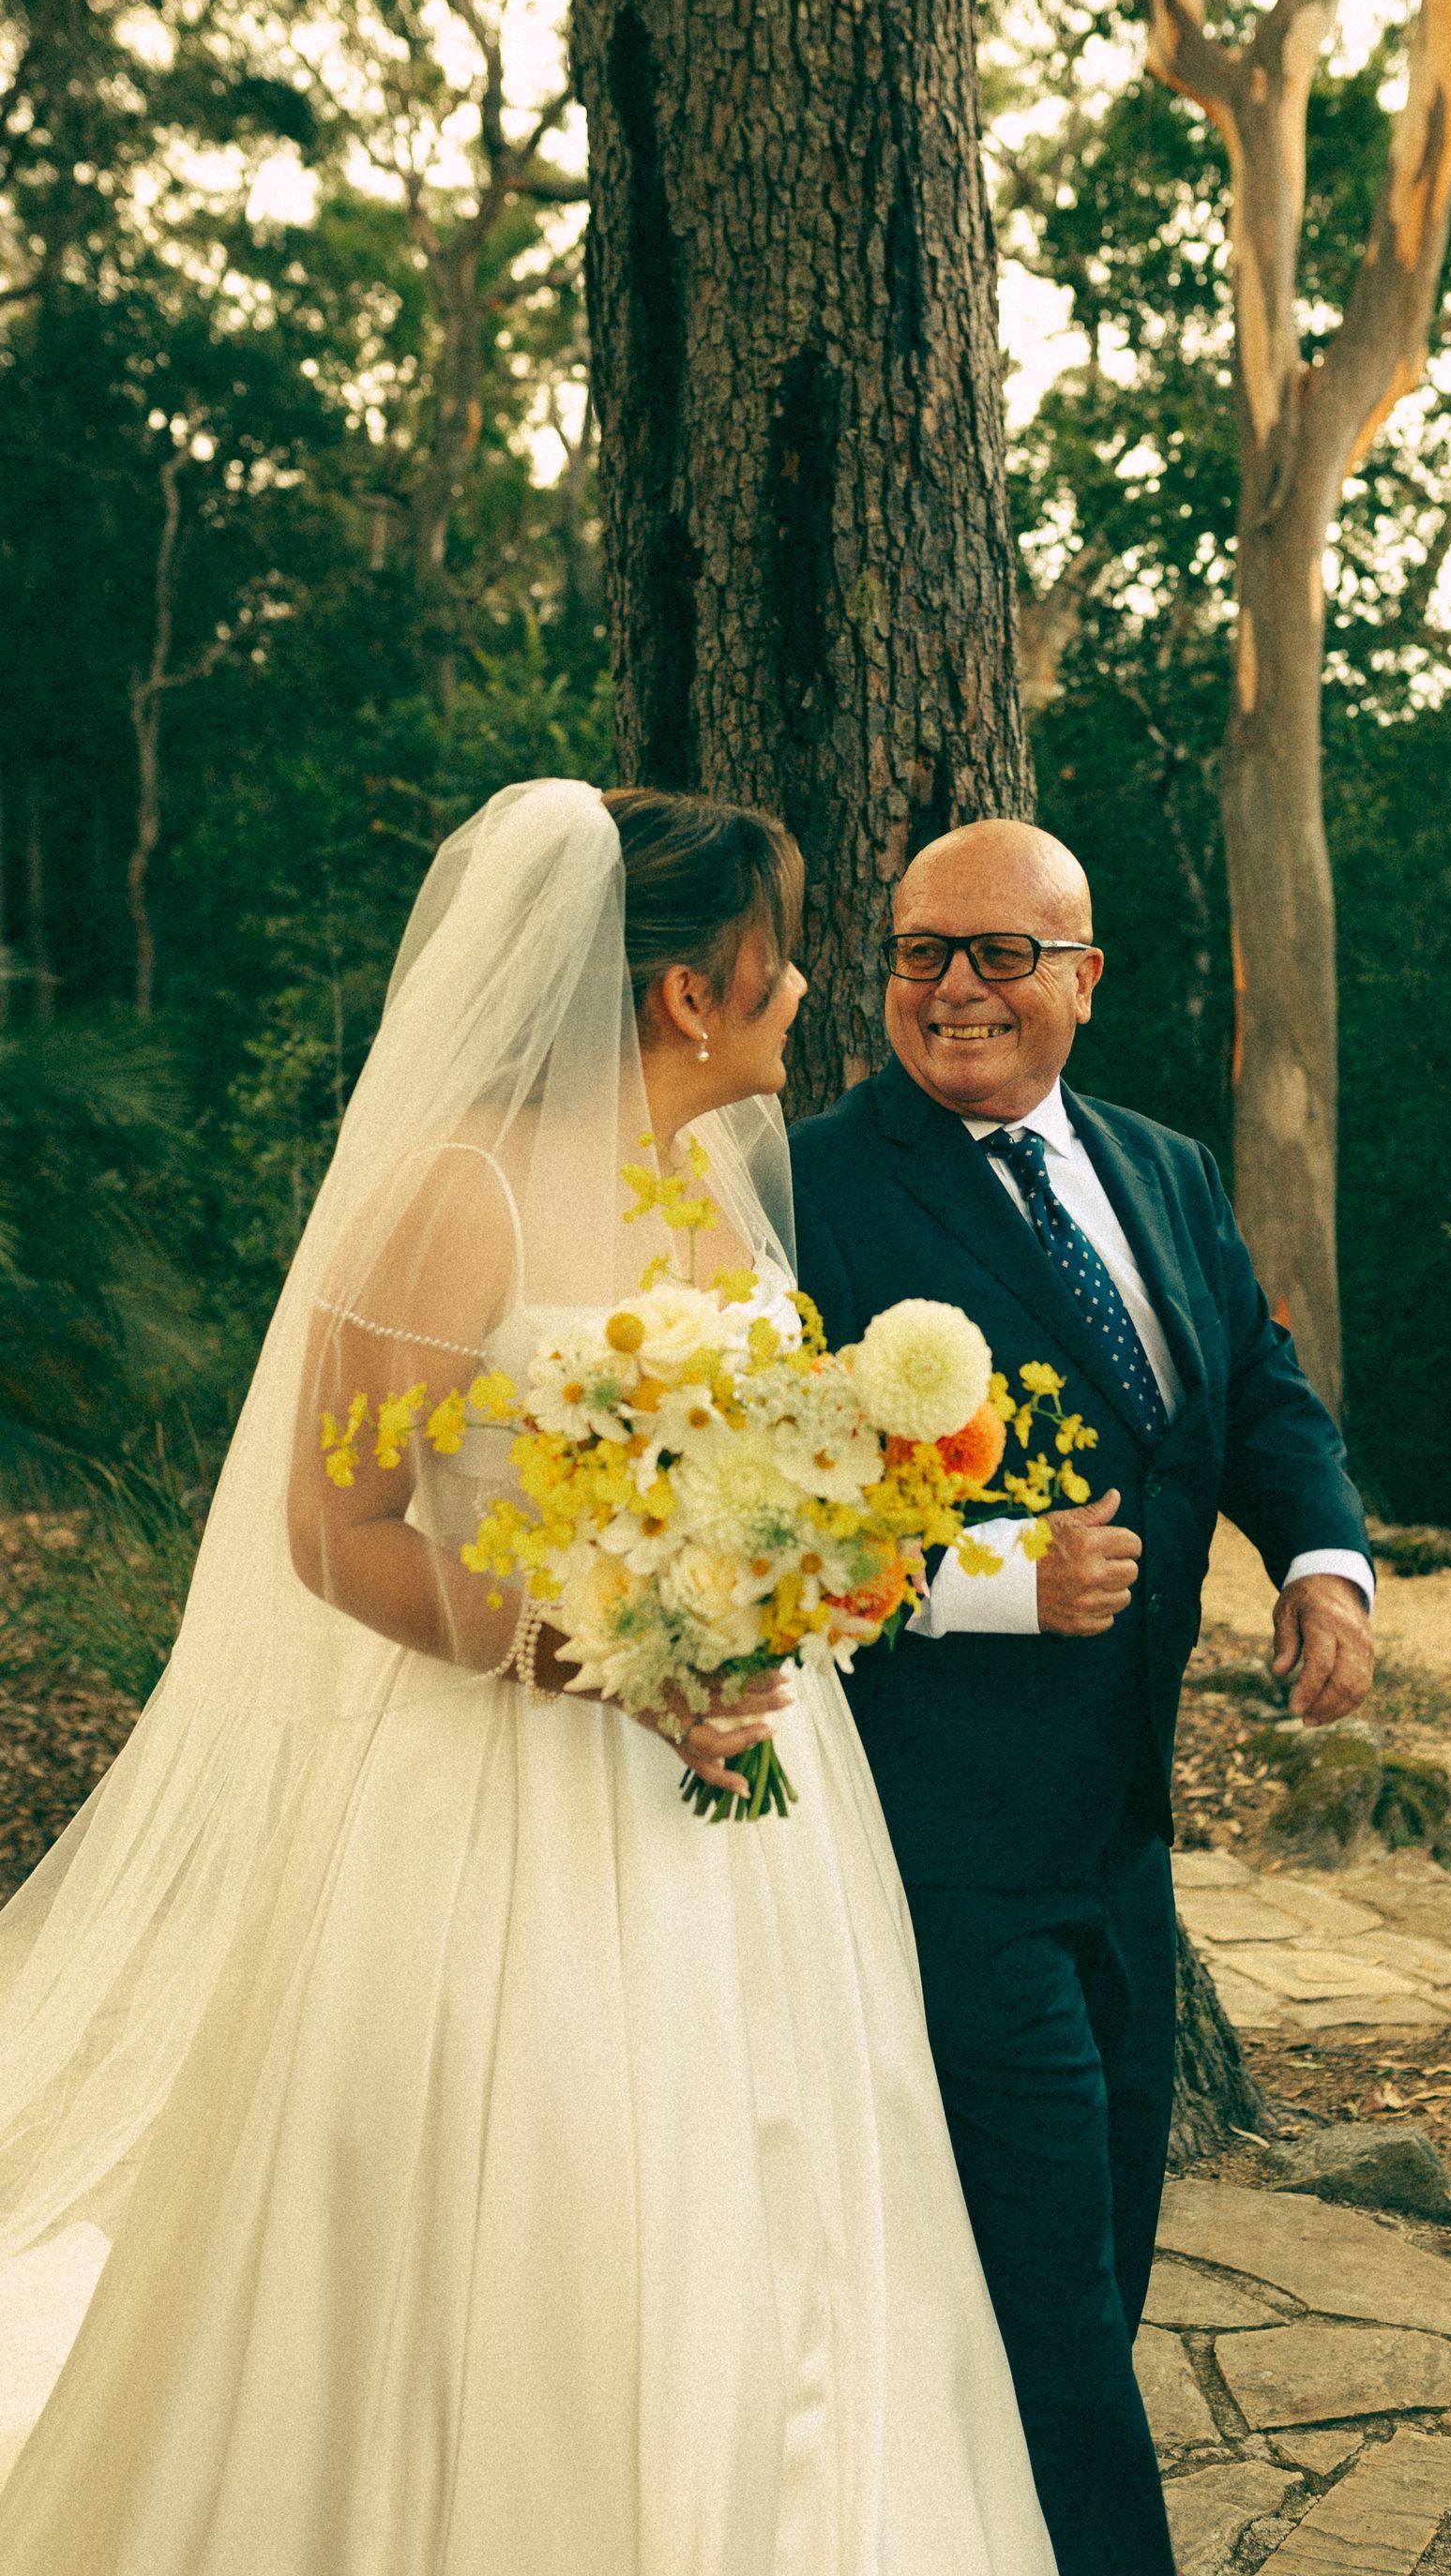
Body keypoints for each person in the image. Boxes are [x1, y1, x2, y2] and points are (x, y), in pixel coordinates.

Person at [0, 782, 1056, 2575]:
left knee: (764, 2206)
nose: (803, 993)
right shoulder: (457, 1191)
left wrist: (787, 1595)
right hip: (490, 1811)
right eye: (777, 962)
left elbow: (769, 1479)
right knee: (542, 2219)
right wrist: (587, 1653)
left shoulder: (717, 1196)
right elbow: (332, 1527)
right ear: (685, 1000)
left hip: (737, 1822)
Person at [790, 819, 1374, 2576]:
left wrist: (1324, 1566)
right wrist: (990, 1578)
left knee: (1105, 2252)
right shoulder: (806, 1189)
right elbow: (764, 1518)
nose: (955, 990)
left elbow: (1260, 1394)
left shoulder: (1168, 1171)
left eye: (1000, 955)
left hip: (1127, 1843)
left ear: (1083, 978)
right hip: (942, 1847)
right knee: (1049, 2290)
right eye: (919, 953)